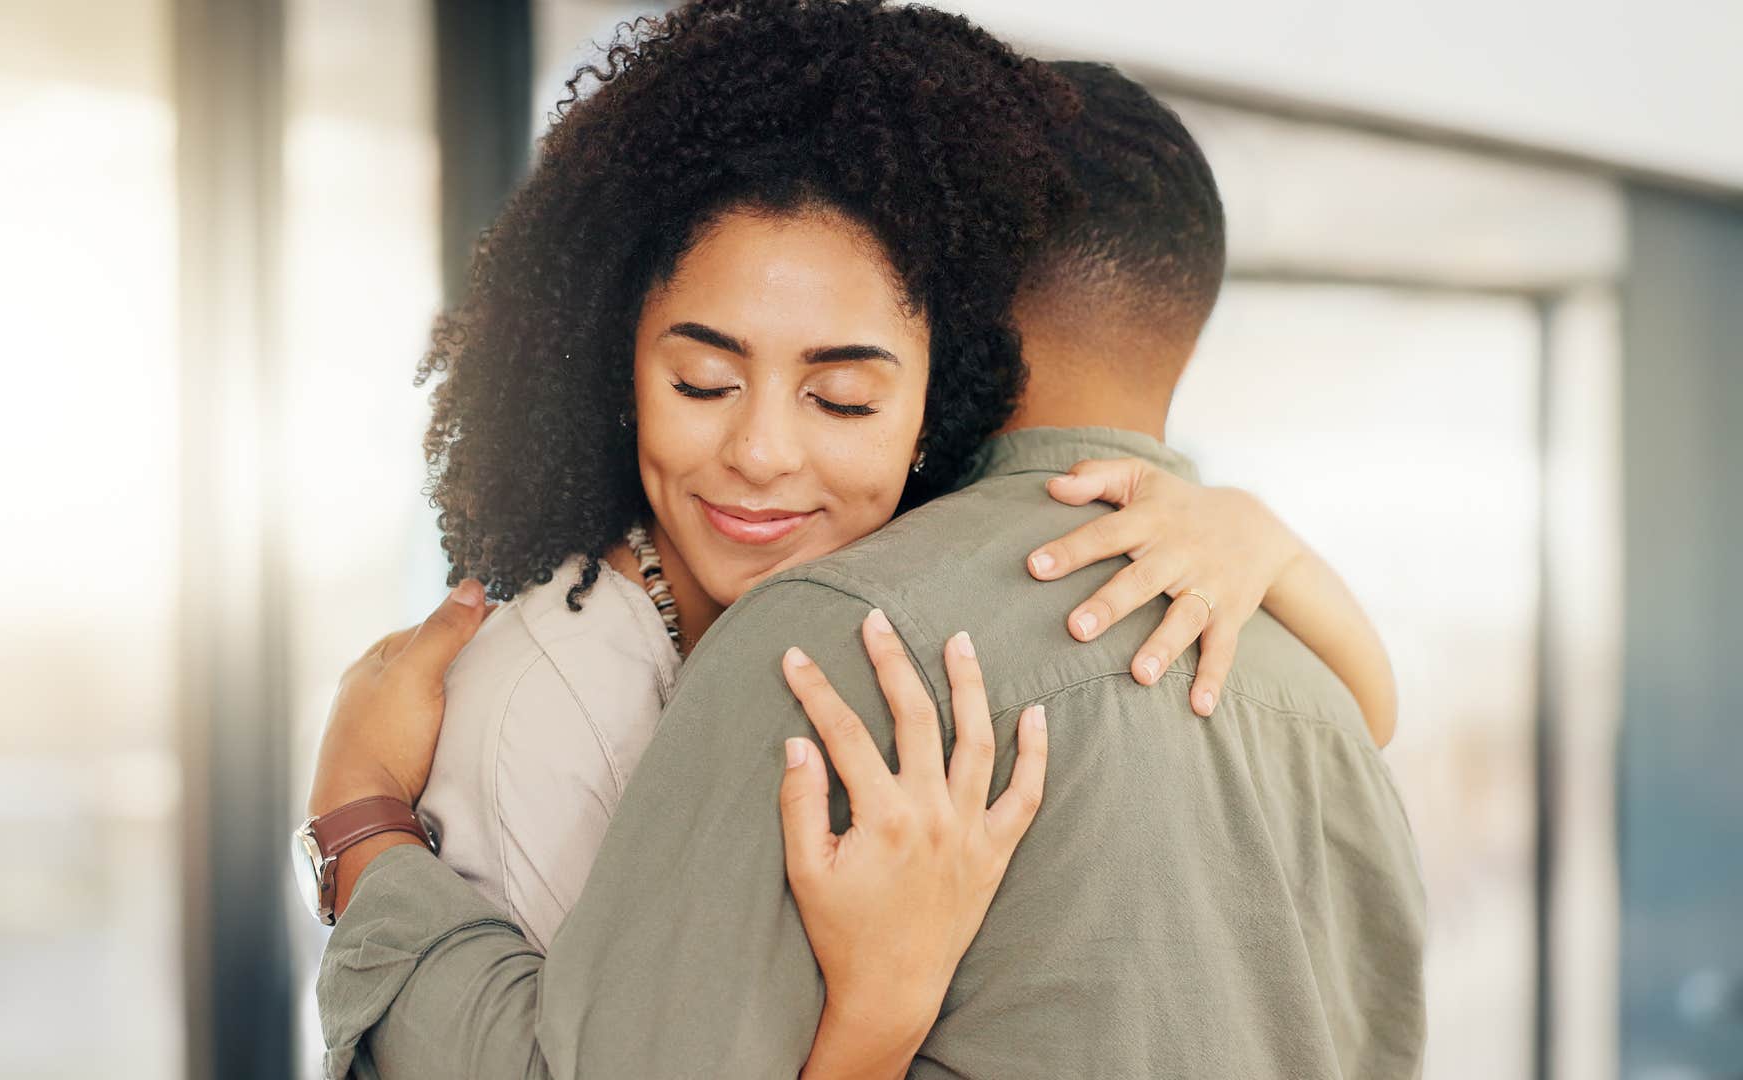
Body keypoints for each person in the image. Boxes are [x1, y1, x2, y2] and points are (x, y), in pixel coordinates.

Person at [310, 22, 1423, 1080]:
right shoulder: (1304, 678)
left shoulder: (833, 645)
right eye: (703, 380)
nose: (761, 450)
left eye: (841, 391)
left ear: (952, 329)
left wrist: (360, 823)